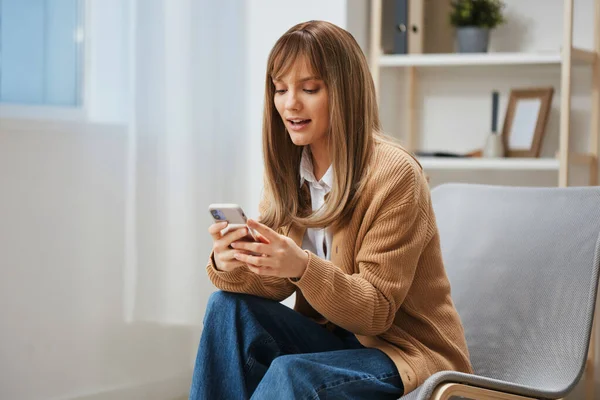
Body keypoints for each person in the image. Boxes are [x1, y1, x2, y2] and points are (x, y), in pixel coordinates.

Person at [189, 20, 473, 400]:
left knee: (293, 374)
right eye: (280, 89)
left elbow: (376, 312)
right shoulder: (290, 171)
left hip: (404, 353)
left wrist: (301, 267)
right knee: (227, 308)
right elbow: (274, 285)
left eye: (309, 88)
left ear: (345, 92)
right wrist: (234, 261)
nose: (290, 103)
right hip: (333, 342)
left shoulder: (395, 175)